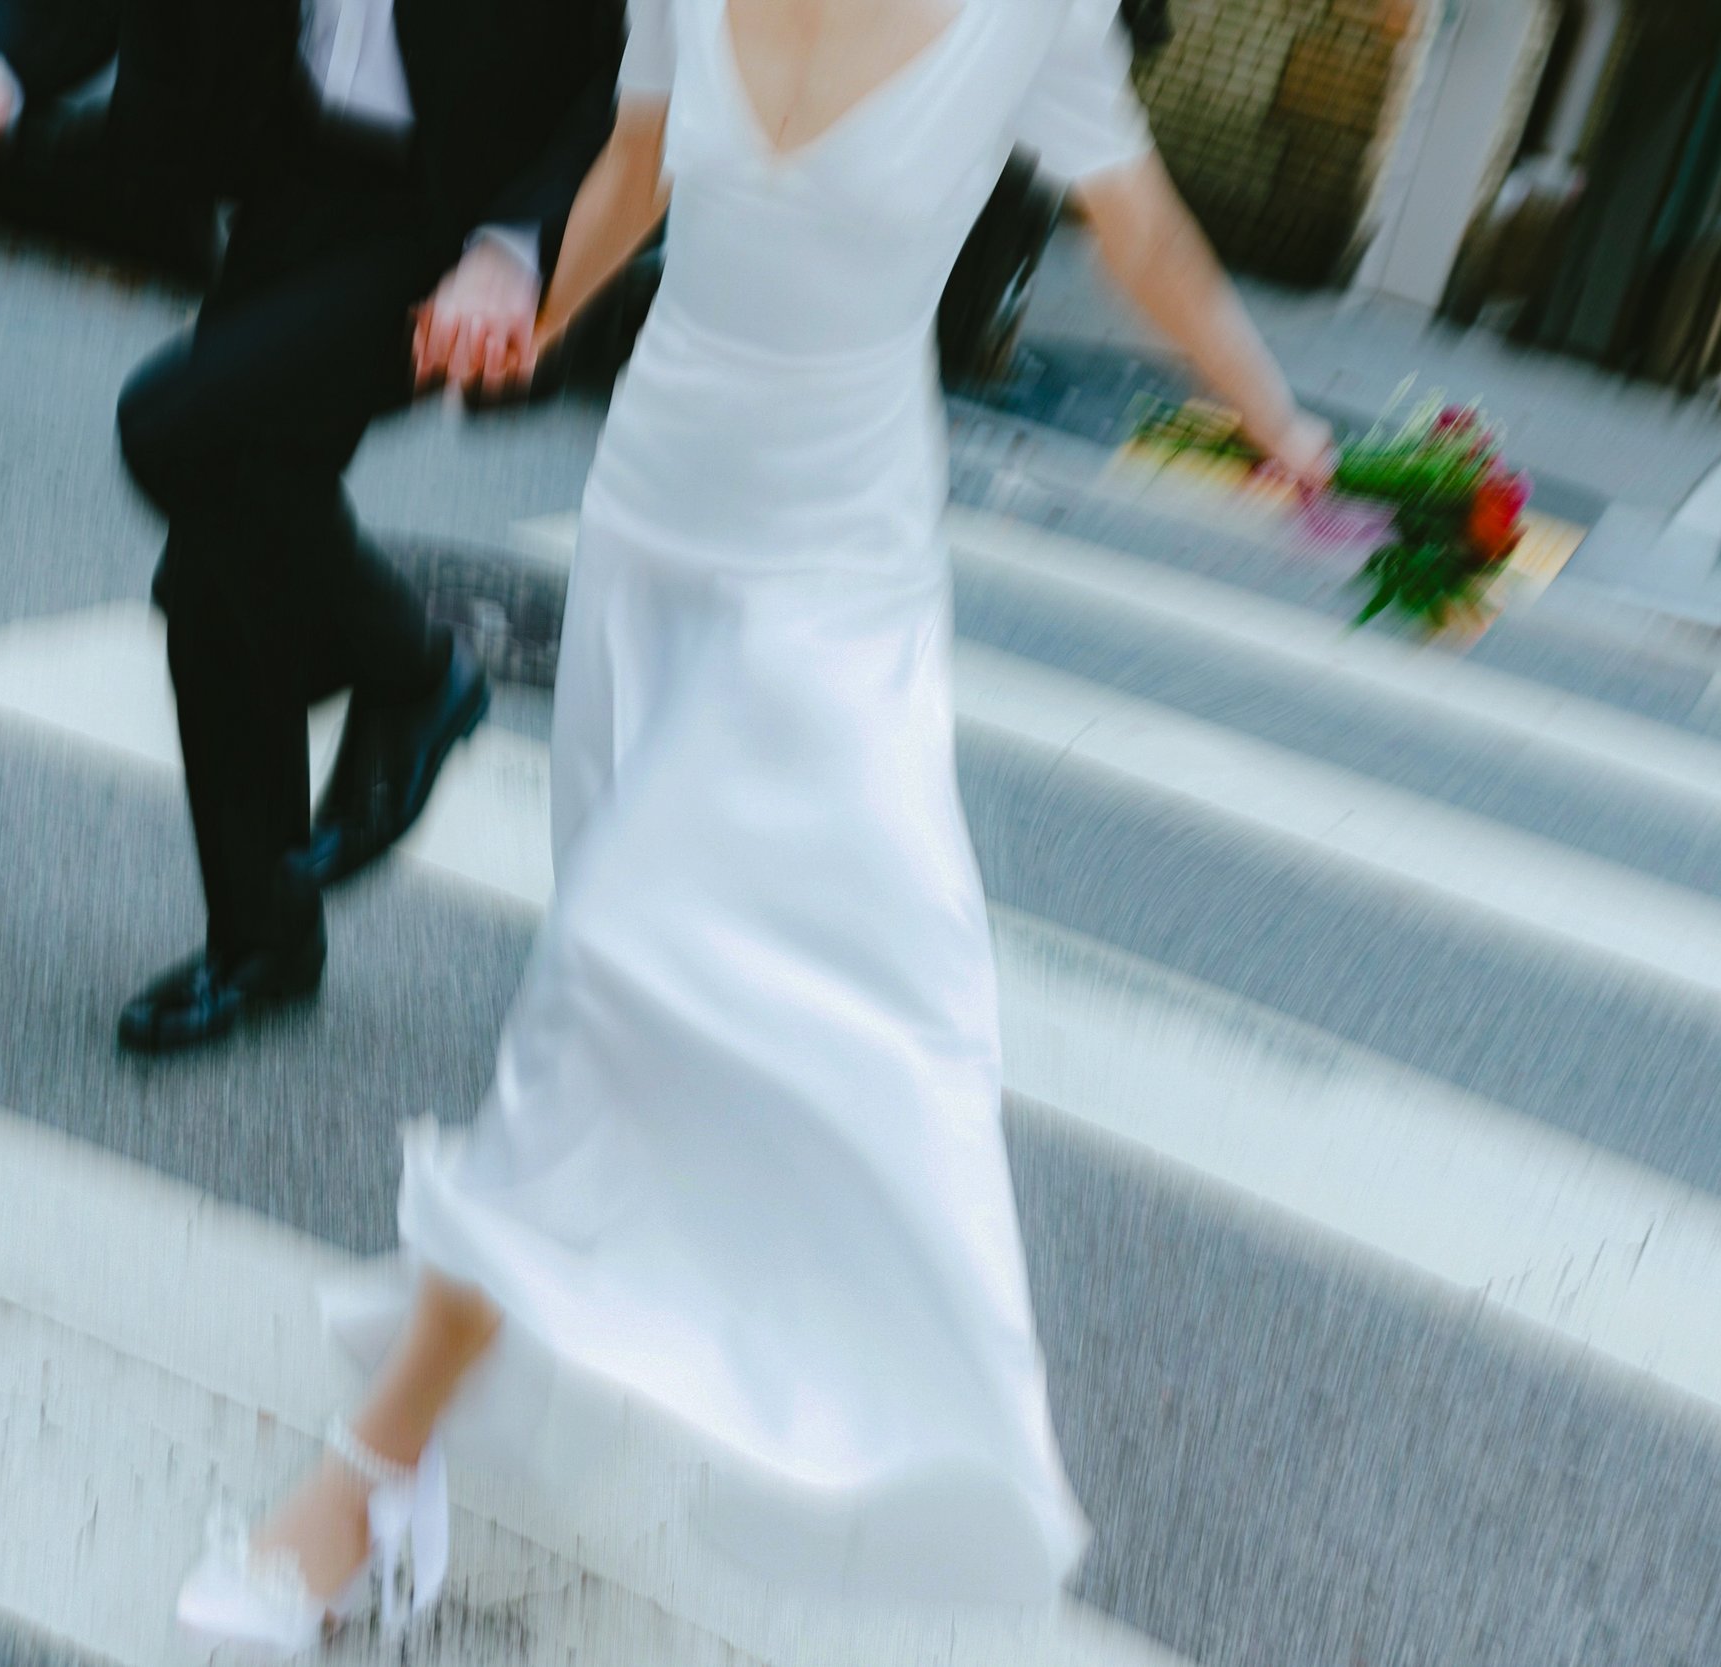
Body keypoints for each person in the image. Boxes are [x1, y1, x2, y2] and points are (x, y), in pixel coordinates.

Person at [174, 0, 1335, 1652]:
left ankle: (361, 1483)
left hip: (833, 576)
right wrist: (516, 317)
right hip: (653, 521)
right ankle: (504, 1372)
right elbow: (636, 165)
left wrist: (1282, 428)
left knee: (613, 987)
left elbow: (1142, 233)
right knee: (607, 1002)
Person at [0, 0, 626, 1054]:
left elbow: (656, 55)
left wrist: (518, 246)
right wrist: (2, 65)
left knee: (178, 429)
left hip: (469, 214)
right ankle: (262, 939)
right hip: (296, 159)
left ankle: (415, 671)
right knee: (223, 537)